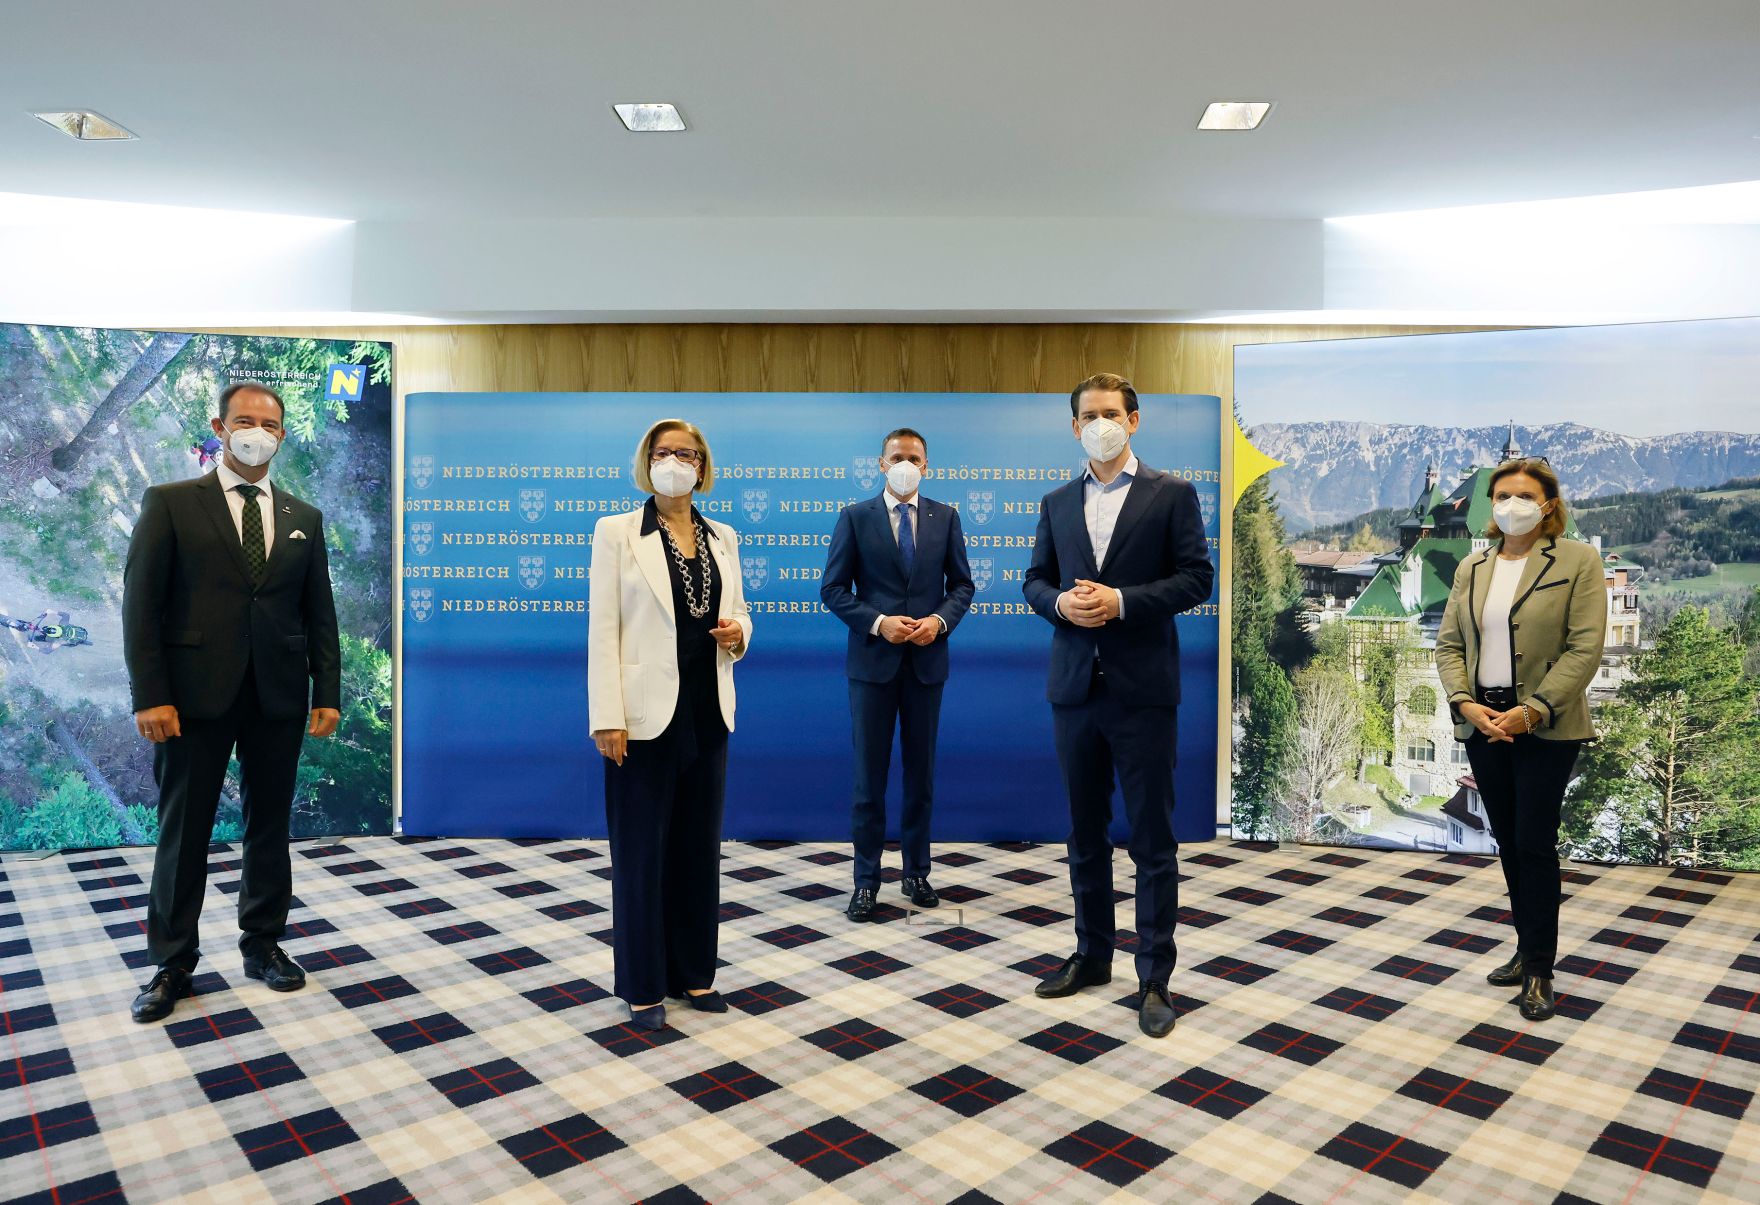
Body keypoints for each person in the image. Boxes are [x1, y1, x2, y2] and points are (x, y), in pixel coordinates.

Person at [122, 382, 342, 1023]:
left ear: (281, 436)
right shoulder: (170, 504)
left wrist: (325, 690)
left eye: (269, 425)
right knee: (183, 831)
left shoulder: (304, 517)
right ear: (220, 427)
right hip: (191, 700)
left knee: (268, 827)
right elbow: (142, 607)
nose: (256, 432)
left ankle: (264, 944)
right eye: (244, 420)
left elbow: (318, 613)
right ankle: (171, 963)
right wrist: (151, 694)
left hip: (276, 696)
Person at [1022, 373, 1214, 1038]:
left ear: (1134, 420)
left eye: (1112, 412)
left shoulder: (1172, 494)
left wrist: (1122, 602)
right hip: (1074, 688)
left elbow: (1197, 578)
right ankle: (1092, 954)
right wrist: (1061, 604)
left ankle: (1155, 976)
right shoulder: (1055, 501)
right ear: (1074, 426)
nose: (1101, 423)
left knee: (1152, 840)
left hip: (1144, 692)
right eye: (1089, 414)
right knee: (1084, 833)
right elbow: (1034, 580)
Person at [589, 419, 752, 1031]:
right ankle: (641, 982)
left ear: (703, 466)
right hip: (640, 715)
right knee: (640, 852)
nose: (675, 462)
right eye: (664, 453)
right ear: (647, 462)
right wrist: (607, 715)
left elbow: (738, 613)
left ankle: (694, 974)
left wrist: (739, 634)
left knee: (696, 848)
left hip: (708, 711)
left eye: (686, 454)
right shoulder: (617, 532)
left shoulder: (724, 536)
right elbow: (603, 629)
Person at [1435, 457, 1604, 1022]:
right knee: (1508, 841)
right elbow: (1449, 646)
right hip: (1485, 721)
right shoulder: (1473, 568)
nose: (1511, 505)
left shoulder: (1579, 560)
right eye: (1502, 495)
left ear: (1549, 504)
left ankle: (1538, 969)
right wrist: (1464, 703)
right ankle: (1525, 945)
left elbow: (1585, 649)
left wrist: (1531, 712)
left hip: (1545, 724)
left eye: (1524, 495)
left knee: (1534, 843)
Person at [821, 428, 975, 921]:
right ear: (881, 464)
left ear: (926, 465)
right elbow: (834, 589)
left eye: (914, 457)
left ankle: (916, 873)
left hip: (927, 666)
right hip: (871, 666)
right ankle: (866, 881)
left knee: (920, 777)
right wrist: (878, 622)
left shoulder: (945, 518)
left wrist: (939, 621)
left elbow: (962, 585)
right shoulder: (854, 516)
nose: (905, 463)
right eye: (897, 457)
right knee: (869, 779)